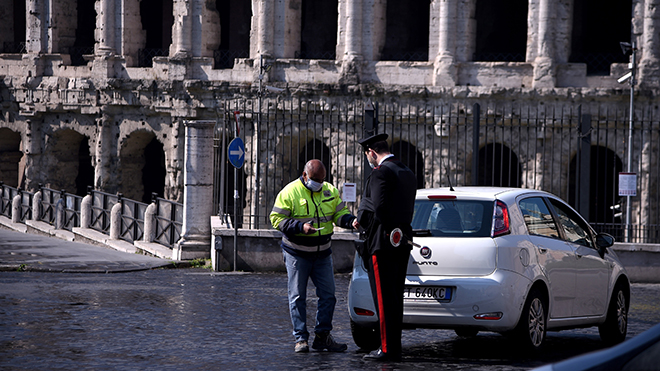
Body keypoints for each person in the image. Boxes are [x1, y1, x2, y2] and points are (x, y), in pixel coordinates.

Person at [270, 159, 357, 353]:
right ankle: (301, 338)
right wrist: (300, 227)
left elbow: (339, 213)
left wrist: (351, 221)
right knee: (297, 296)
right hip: (297, 253)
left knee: (328, 296)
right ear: (305, 175)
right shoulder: (289, 192)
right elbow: (276, 219)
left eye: (322, 179)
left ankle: (322, 336)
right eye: (315, 179)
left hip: (323, 253)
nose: (319, 183)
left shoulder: (330, 191)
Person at [352, 133, 417, 362]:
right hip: (401, 240)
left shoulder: (380, 173)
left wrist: (366, 223)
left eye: (367, 154)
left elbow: (379, 208)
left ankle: (387, 348)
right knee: (395, 298)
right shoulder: (406, 172)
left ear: (371, 151)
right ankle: (393, 346)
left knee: (382, 298)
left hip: (382, 241)